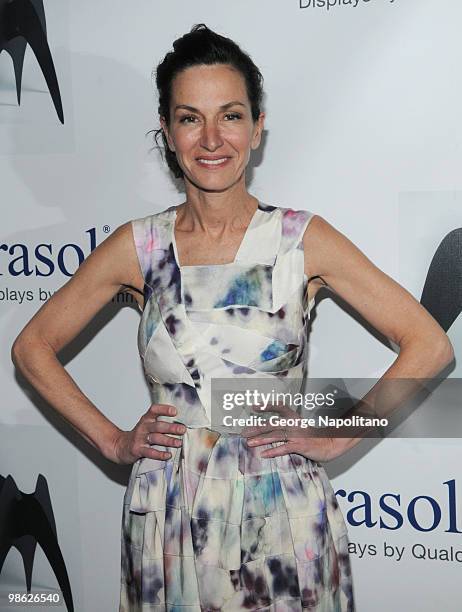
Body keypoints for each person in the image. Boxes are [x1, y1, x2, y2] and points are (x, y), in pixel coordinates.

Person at [11, 23, 454, 612]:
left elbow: (429, 345)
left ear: (257, 126)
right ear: (167, 132)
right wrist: (114, 442)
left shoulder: (301, 240)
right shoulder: (137, 248)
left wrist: (339, 431)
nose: (212, 138)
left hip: (282, 514)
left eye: (232, 115)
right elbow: (30, 347)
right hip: (170, 510)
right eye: (190, 117)